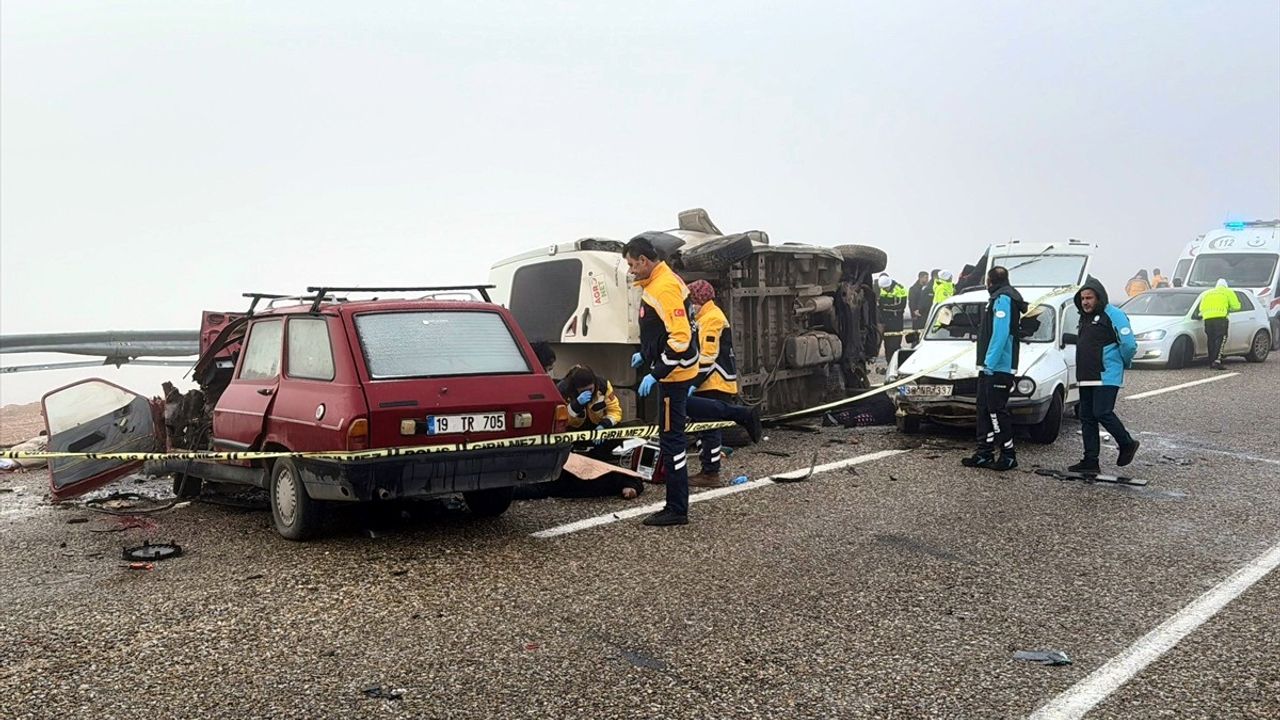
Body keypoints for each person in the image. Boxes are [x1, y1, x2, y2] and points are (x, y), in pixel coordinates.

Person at [624, 235, 700, 527]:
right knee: (674, 433)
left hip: (674, 376)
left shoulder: (664, 287)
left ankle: (676, 508)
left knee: (672, 443)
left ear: (644, 260)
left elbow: (680, 337)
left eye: (632, 264)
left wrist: (657, 373)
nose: (631, 270)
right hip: (674, 371)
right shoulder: (657, 282)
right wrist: (645, 355)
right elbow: (661, 330)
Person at [684, 280, 763, 487]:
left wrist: (693, 382)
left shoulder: (711, 318)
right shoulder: (705, 317)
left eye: (691, 301)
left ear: (698, 300)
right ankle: (708, 469)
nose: (689, 307)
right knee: (705, 427)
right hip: (711, 380)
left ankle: (710, 473)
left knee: (709, 428)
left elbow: (708, 356)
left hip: (714, 380)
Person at [1069, 277, 1139, 474]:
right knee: (1087, 417)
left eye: (1089, 298)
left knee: (1102, 412)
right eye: (1082, 298)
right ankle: (1090, 460)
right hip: (1086, 375)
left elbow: (1129, 344)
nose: (1085, 302)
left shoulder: (1114, 314)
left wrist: (1122, 362)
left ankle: (1127, 443)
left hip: (1106, 374)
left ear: (1099, 297)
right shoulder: (1084, 317)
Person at [961, 266, 1026, 471]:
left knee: (996, 411)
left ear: (989, 281)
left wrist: (990, 362)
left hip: (998, 367)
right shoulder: (997, 298)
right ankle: (984, 452)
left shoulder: (1003, 300)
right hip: (988, 366)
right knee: (983, 409)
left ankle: (1008, 454)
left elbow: (1000, 333)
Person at [557, 365, 622, 432]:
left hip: (599, 425)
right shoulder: (565, 391)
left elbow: (615, 411)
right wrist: (576, 405)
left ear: (594, 383)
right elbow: (562, 420)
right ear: (576, 389)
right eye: (583, 391)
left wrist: (604, 425)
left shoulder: (603, 387)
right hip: (575, 430)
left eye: (590, 389)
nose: (588, 393)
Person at [1200, 278, 1241, 370]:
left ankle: (1211, 361)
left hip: (1207, 319)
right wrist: (1228, 308)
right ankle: (1217, 361)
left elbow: (1201, 308)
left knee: (1210, 339)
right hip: (1220, 318)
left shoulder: (1207, 293)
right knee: (1221, 339)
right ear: (1226, 285)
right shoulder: (1228, 292)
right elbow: (1237, 306)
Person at [877, 276, 908, 363]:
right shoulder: (882, 289)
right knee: (887, 345)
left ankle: (896, 363)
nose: (885, 290)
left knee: (895, 344)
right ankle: (889, 363)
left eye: (886, 288)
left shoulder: (900, 289)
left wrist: (884, 307)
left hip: (896, 320)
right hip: (885, 321)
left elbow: (900, 306)